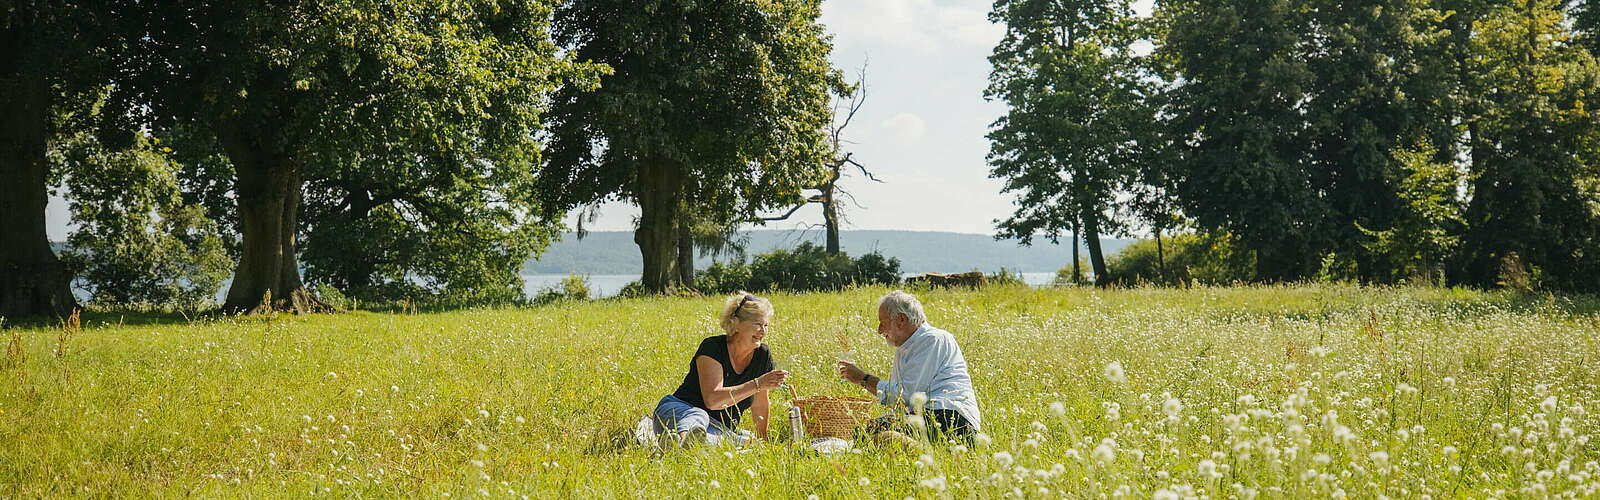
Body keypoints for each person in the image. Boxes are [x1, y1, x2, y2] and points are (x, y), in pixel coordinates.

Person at [837, 290, 981, 441]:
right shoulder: (907, 347)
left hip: (951, 419)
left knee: (870, 436)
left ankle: (909, 447)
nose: (879, 330)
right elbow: (902, 404)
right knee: (862, 433)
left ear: (901, 319)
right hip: (926, 416)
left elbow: (906, 396)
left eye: (883, 323)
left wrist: (864, 379)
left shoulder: (933, 339)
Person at [651, 292, 789, 447]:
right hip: (679, 411)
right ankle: (682, 442)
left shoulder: (762, 355)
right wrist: (758, 383)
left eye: (766, 325)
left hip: (717, 428)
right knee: (698, 416)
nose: (763, 331)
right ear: (736, 324)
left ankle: (678, 447)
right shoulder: (713, 347)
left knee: (731, 442)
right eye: (757, 324)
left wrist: (763, 440)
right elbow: (713, 400)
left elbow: (760, 403)